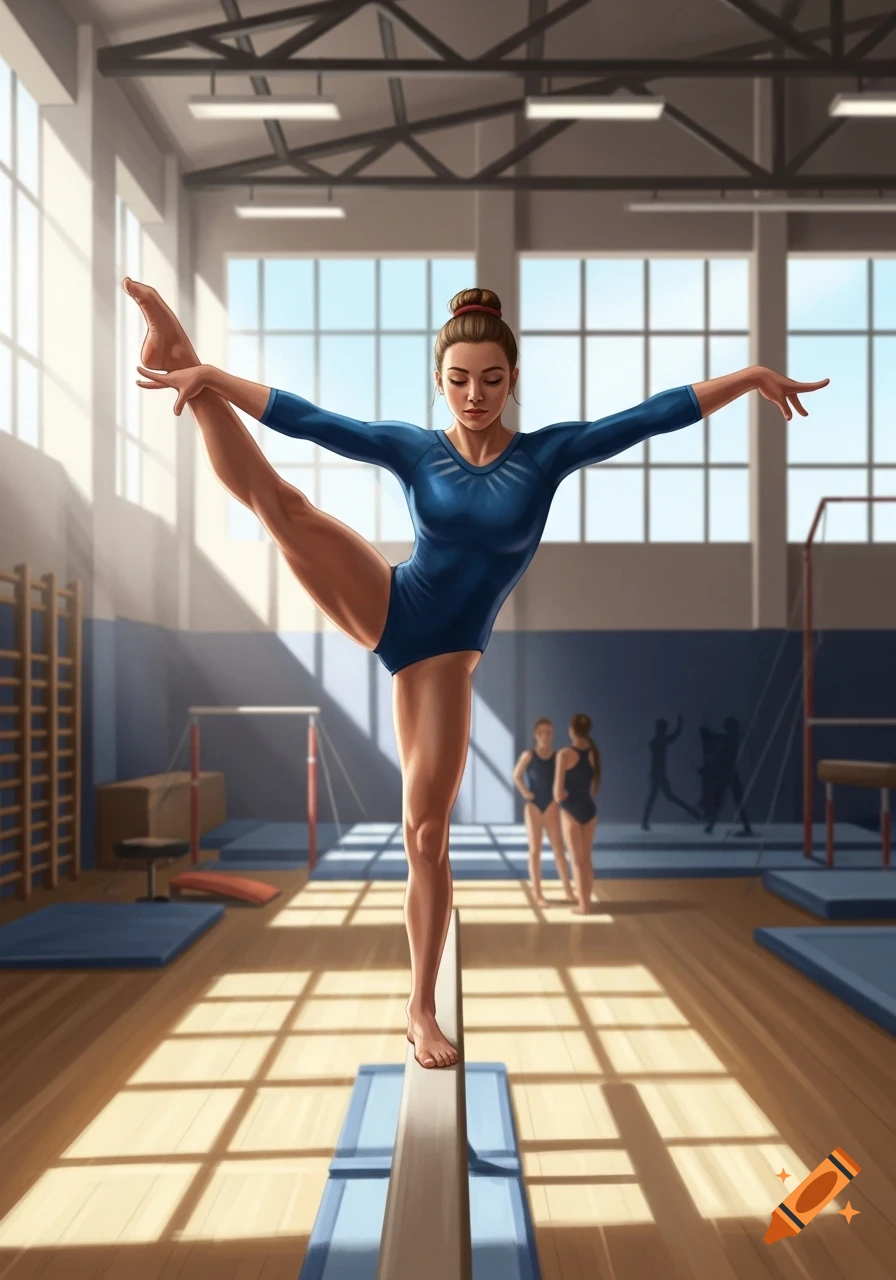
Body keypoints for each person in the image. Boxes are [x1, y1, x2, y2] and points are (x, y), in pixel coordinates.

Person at [124, 275, 828, 1067]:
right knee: (281, 507)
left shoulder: (546, 455)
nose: (475, 394)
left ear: (513, 379)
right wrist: (217, 377)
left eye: (492, 379)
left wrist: (750, 377)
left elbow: (647, 418)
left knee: (426, 834)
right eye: (459, 380)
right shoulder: (416, 448)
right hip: (393, 602)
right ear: (440, 379)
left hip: (446, 658)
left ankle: (418, 1006)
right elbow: (314, 422)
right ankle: (187, 363)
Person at [512, 718, 575, 905]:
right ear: (536, 735)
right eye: (543, 733)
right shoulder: (528, 755)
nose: (547, 736)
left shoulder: (558, 757)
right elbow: (516, 775)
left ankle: (568, 891)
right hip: (533, 807)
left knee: (559, 850)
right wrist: (526, 793)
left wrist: (562, 793)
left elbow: (566, 779)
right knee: (535, 851)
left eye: (550, 732)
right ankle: (538, 894)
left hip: (551, 806)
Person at [554, 714, 601, 915]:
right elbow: (591, 787)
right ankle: (587, 901)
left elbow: (557, 793)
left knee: (577, 860)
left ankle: (584, 906)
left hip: (571, 811)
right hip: (589, 810)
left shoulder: (564, 754)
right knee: (586, 859)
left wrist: (563, 796)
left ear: (571, 730)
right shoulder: (594, 753)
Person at [641, 712, 700, 830]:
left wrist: (679, 723)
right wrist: (679, 723)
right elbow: (675, 734)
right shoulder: (657, 741)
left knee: (666, 797)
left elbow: (675, 734)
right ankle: (693, 812)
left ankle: (693, 812)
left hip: (659, 775)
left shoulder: (658, 741)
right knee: (659, 797)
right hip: (657, 775)